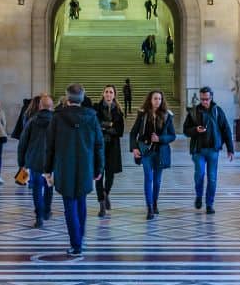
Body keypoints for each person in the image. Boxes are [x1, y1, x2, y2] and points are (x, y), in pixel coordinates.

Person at [45, 83, 104, 256]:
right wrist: (98, 168)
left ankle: (76, 244)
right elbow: (99, 145)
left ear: (67, 97)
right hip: (85, 166)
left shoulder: (57, 117)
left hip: (64, 167)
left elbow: (50, 146)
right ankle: (81, 238)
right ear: (82, 97)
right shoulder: (92, 117)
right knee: (82, 202)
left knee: (69, 205)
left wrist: (47, 170)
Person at [183, 86, 234, 214]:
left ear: (211, 98)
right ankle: (199, 196)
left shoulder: (218, 111)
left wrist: (230, 149)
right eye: (202, 99)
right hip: (198, 150)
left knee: (212, 178)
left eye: (206, 99)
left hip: (213, 150)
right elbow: (185, 130)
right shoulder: (194, 112)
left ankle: (209, 204)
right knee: (199, 175)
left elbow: (226, 130)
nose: (204, 101)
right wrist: (195, 130)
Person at [130, 90, 176, 220]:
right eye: (155, 98)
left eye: (160, 99)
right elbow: (133, 133)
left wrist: (160, 139)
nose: (157, 101)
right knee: (148, 178)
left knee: (157, 181)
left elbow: (172, 135)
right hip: (146, 152)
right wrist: (134, 147)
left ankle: (155, 202)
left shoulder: (167, 116)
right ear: (150, 100)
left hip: (160, 152)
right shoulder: (143, 114)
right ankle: (149, 207)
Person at [18, 94, 54, 228]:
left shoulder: (32, 121)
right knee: (49, 185)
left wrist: (21, 162)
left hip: (34, 161)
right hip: (50, 162)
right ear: (51, 107)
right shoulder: (56, 121)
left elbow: (23, 143)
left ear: (39, 106)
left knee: (37, 188)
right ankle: (47, 211)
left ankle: (39, 217)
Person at [95, 85, 125, 217]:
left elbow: (120, 131)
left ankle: (106, 193)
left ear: (114, 95)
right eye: (106, 92)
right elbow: (95, 125)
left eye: (111, 92)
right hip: (99, 146)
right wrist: (110, 125)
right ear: (103, 94)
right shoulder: (96, 108)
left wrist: (105, 127)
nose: (108, 94)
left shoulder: (118, 111)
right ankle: (101, 203)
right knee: (99, 175)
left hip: (113, 146)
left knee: (110, 174)